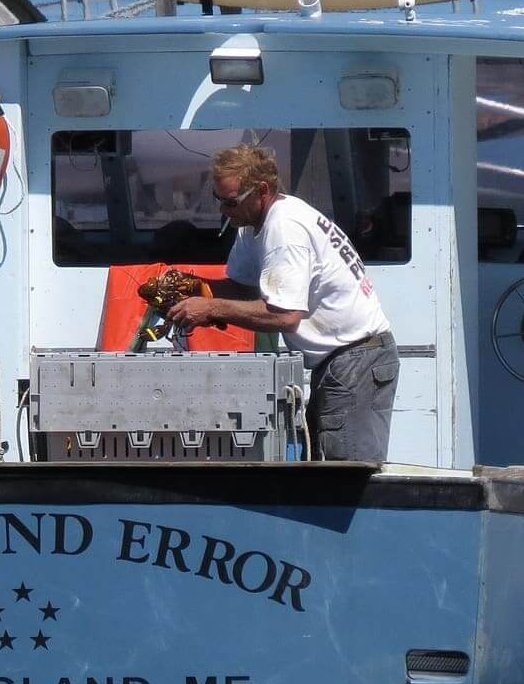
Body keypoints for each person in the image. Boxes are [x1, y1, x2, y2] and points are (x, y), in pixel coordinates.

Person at [165, 144, 399, 463]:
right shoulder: (251, 223)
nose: (223, 210)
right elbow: (243, 289)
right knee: (328, 466)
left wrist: (209, 308)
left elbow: (286, 316)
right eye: (218, 200)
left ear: (262, 190)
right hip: (344, 360)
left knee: (347, 475)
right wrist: (193, 288)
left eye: (231, 201)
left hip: (356, 360)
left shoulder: (284, 230)